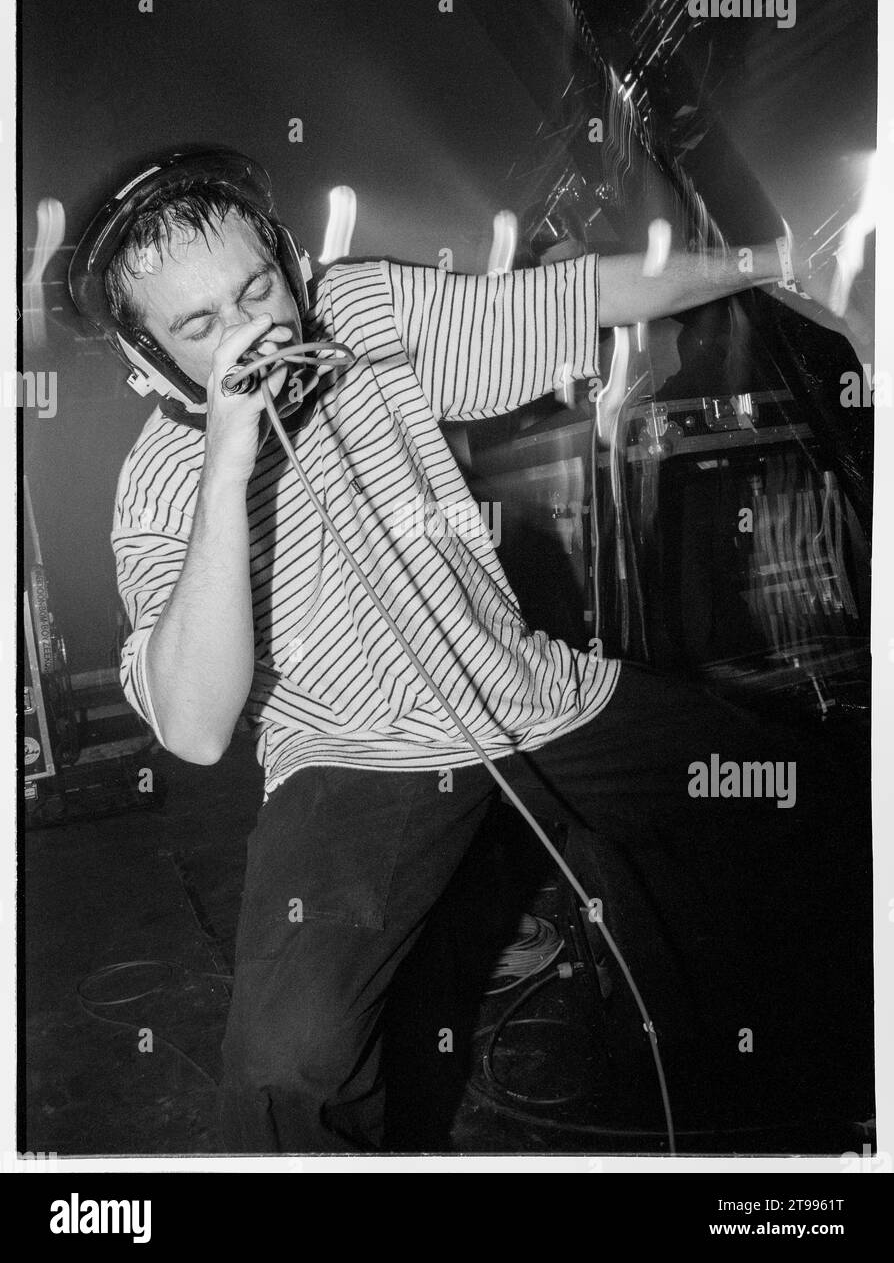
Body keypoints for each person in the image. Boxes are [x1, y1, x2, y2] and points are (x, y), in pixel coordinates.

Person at [83, 151, 870, 1151]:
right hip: (352, 753)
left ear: (289, 260)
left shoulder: (364, 312)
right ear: (151, 363)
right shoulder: (160, 481)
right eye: (200, 327)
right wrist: (229, 458)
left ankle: (751, 1124)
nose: (253, 330)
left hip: (516, 687)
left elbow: (579, 292)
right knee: (292, 1061)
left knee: (790, 800)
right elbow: (194, 726)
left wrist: (783, 260)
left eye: (259, 286)